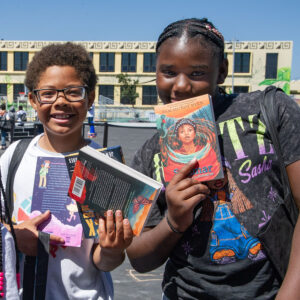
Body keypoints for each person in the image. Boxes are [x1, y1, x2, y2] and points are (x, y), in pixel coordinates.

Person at [127, 18, 300, 299]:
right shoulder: (152, 151)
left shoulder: (270, 109)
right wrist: (174, 220)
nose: (181, 86)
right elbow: (138, 258)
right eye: (168, 72)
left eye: (196, 73)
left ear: (221, 72)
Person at [0, 42, 133, 299]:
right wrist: (13, 235)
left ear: (90, 98)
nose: (61, 102)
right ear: (33, 100)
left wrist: (112, 250)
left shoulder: (105, 166)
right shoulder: (13, 157)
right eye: (48, 93)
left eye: (73, 92)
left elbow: (101, 261)